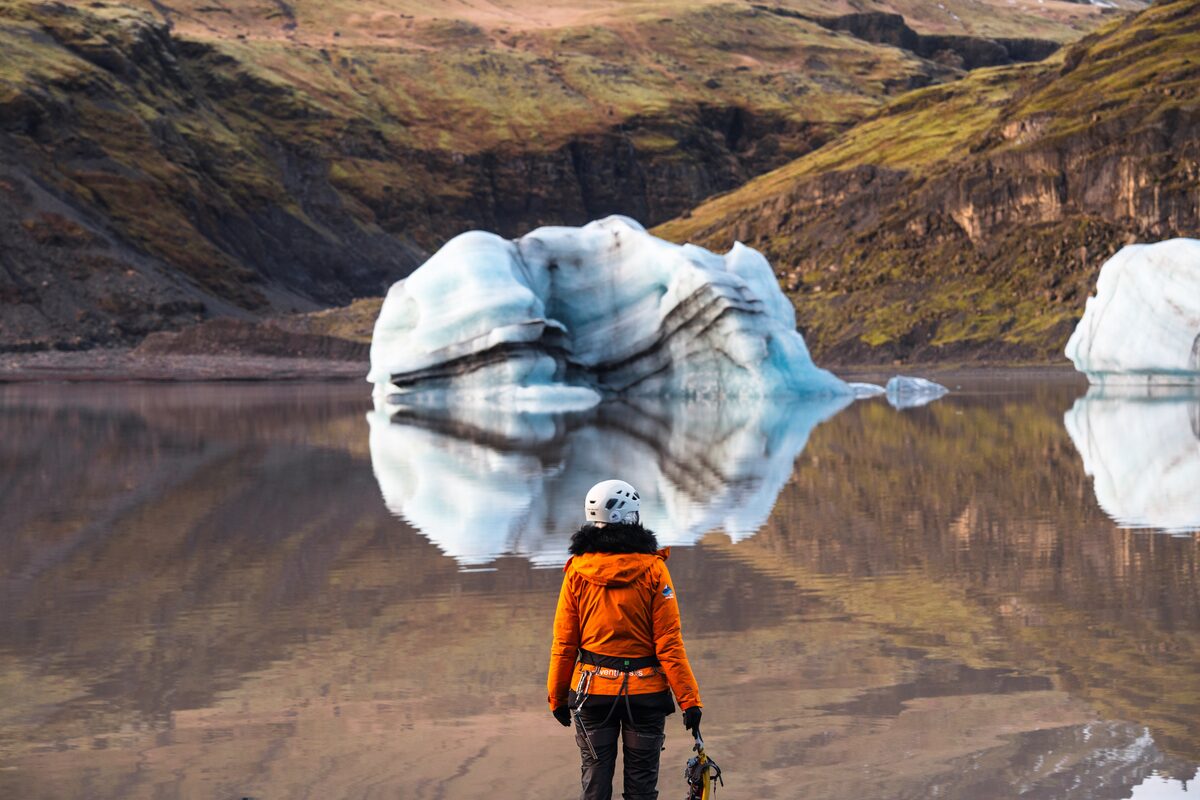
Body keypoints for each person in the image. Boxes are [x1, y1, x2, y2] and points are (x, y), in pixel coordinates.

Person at [547, 479, 703, 800]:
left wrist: (557, 697)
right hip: (645, 696)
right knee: (641, 790)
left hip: (592, 693)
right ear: (631, 516)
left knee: (595, 786)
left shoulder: (577, 571)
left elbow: (565, 643)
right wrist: (689, 701)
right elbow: (669, 643)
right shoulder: (654, 570)